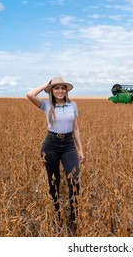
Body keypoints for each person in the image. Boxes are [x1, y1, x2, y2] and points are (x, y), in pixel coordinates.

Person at [26, 77, 84, 232]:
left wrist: (81, 149)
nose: (60, 91)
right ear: (52, 91)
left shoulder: (73, 105)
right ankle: (57, 214)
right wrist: (46, 84)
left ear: (66, 90)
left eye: (63, 88)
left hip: (68, 145)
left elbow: (76, 128)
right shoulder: (46, 105)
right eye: (56, 88)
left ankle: (74, 217)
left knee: (74, 179)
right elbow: (30, 94)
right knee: (54, 180)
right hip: (51, 144)